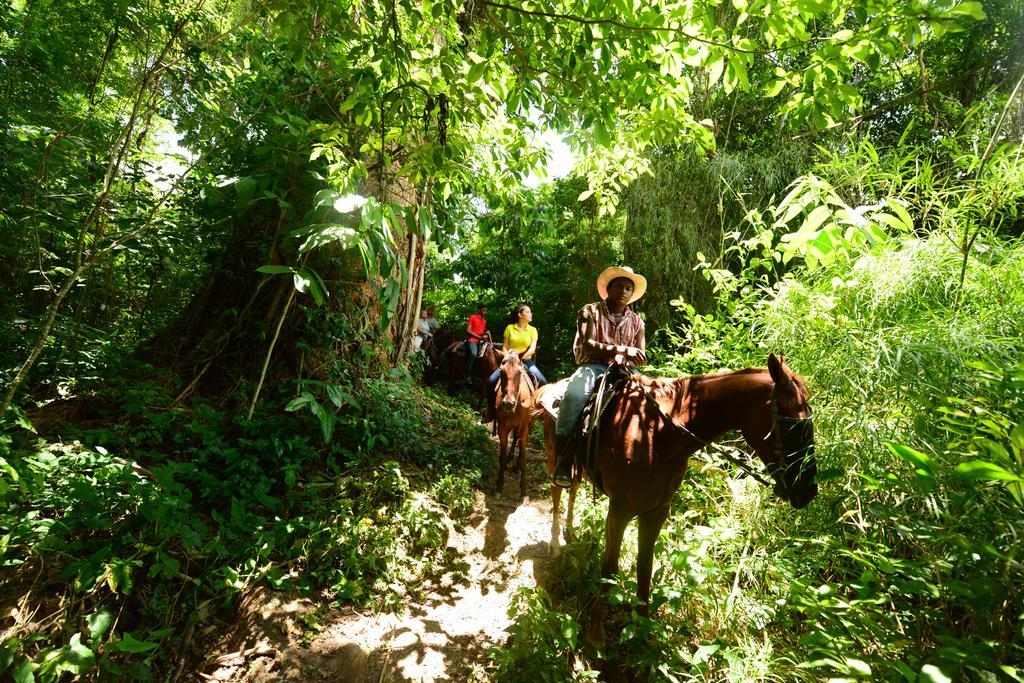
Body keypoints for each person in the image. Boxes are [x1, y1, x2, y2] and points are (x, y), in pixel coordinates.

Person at [552, 266, 647, 488]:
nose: (624, 291)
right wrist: (622, 351)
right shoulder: (589, 312)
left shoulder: (638, 322)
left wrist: (628, 358)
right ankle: (563, 461)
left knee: (648, 397)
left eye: (628, 288)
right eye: (619, 286)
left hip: (624, 369)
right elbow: (588, 344)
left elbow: (640, 353)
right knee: (574, 397)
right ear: (608, 288)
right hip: (592, 366)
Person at [485, 304, 548, 421]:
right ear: (520, 314)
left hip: (526, 360)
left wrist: (521, 357)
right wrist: (508, 357)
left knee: (543, 381)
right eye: (528, 312)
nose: (531, 314)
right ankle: (491, 410)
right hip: (509, 361)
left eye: (530, 312)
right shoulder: (509, 328)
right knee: (491, 381)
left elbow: (532, 349)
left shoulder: (533, 330)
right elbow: (505, 347)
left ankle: (537, 411)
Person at [465, 303, 489, 377]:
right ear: (479, 310)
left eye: (486, 311)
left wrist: (485, 334)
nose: (485, 312)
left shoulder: (484, 321)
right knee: (474, 354)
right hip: (471, 340)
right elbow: (468, 331)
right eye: (484, 310)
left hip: (479, 341)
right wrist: (480, 337)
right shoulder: (472, 317)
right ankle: (467, 373)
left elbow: (480, 332)